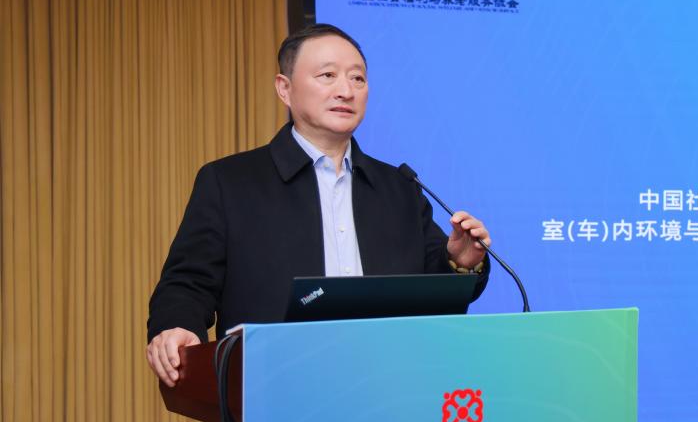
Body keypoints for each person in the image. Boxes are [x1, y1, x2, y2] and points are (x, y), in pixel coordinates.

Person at [145, 23, 490, 385]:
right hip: (275, 387)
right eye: (328, 75)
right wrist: (177, 326)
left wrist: (460, 263)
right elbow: (188, 282)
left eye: (357, 79)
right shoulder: (230, 182)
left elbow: (432, 294)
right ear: (285, 88)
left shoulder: (399, 187)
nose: (346, 91)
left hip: (391, 387)